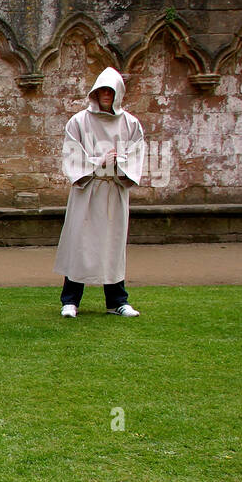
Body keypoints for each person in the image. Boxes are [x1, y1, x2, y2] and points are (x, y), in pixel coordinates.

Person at [54, 67, 145, 318]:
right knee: (80, 244)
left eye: (111, 90)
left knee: (112, 245)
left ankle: (117, 301)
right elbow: (71, 155)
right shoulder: (79, 122)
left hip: (113, 189)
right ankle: (70, 300)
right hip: (88, 190)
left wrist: (117, 164)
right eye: (102, 89)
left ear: (118, 93)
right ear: (95, 92)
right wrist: (99, 162)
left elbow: (137, 155)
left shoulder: (130, 123)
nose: (106, 94)